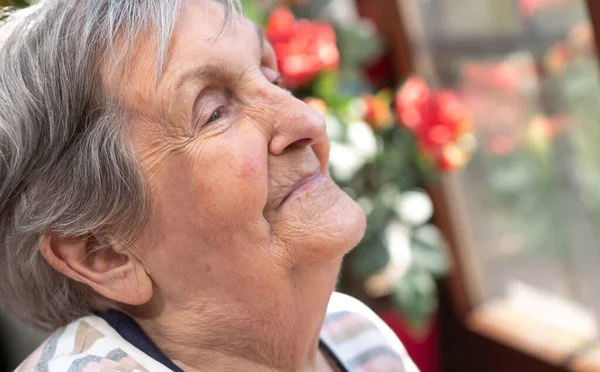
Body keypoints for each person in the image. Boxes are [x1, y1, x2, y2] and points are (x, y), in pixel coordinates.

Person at [0, 1, 419, 371]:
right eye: (215, 112)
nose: (307, 121)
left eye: (273, 80)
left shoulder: (354, 335)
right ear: (104, 253)